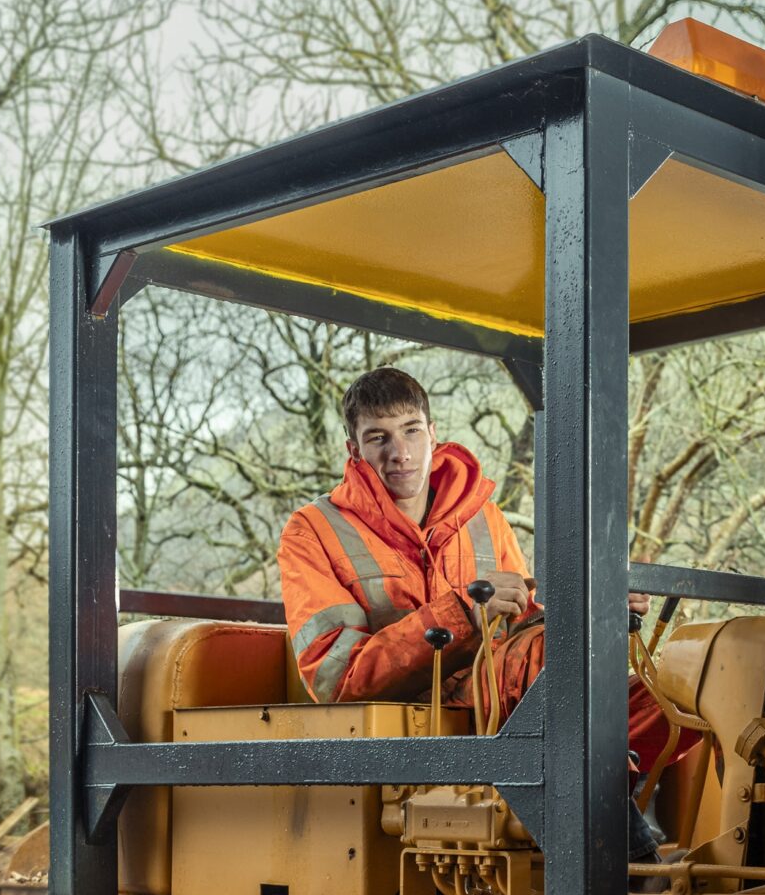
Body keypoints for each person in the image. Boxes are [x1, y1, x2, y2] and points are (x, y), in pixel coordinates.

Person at [278, 366, 682, 861]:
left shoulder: (482, 516)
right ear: (354, 449)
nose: (399, 452)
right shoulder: (313, 531)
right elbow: (334, 677)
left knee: (668, 700)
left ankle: (604, 821)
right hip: (412, 714)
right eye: (377, 437)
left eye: (410, 431)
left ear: (432, 434)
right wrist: (462, 615)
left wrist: (595, 612)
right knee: (553, 672)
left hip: (503, 697)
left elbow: (525, 623)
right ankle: (628, 863)